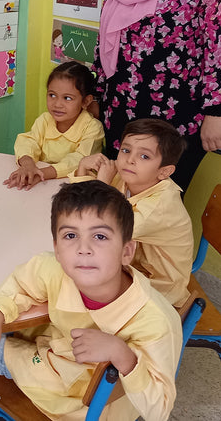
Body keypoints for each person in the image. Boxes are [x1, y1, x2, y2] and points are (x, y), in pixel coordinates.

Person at [0, 181, 182, 420]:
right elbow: (22, 283)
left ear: (127, 251)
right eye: (71, 235)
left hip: (80, 403)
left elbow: (159, 409)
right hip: (63, 354)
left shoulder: (154, 320)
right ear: (57, 248)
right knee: (6, 327)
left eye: (100, 237)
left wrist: (123, 355)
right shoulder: (53, 267)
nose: (83, 249)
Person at [93, 0, 221, 192]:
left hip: (176, 120)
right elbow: (106, 42)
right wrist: (97, 96)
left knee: (157, 210)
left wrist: (216, 112)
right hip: (121, 113)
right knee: (116, 204)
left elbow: (219, 47)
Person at [73, 118, 192, 307]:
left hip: (159, 290)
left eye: (144, 156)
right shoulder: (126, 178)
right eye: (126, 150)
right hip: (128, 266)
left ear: (164, 172)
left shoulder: (160, 205)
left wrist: (101, 185)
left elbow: (98, 230)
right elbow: (77, 208)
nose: (130, 160)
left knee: (74, 282)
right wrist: (82, 169)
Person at [4, 61, 104, 190]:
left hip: (74, 189)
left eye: (67, 98)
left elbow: (79, 160)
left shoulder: (93, 128)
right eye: (52, 95)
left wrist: (41, 174)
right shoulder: (45, 119)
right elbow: (28, 141)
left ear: (86, 101)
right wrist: (28, 164)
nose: (57, 104)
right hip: (42, 185)